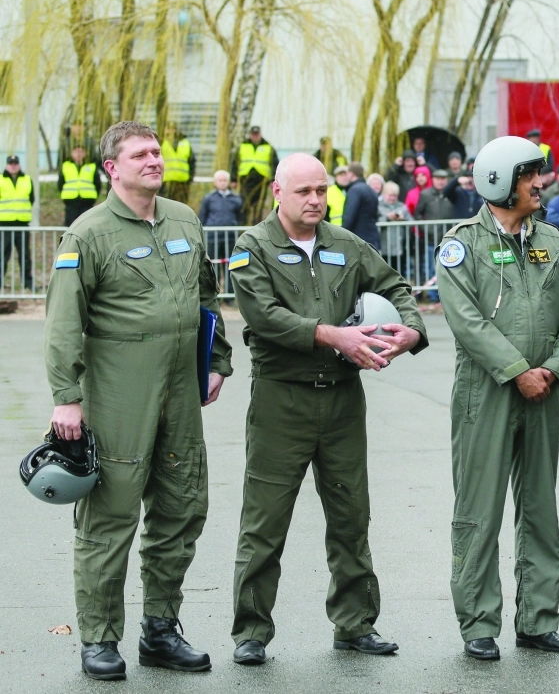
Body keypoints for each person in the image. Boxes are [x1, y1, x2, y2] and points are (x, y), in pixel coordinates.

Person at [44, 121, 233, 681]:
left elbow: (205, 295)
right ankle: (100, 638)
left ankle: (160, 629)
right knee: (110, 517)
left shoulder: (183, 219)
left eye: (157, 151)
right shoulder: (88, 233)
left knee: (181, 509)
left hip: (180, 389)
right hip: (119, 392)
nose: (154, 160)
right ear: (112, 167)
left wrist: (215, 360)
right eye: (140, 154)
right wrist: (67, 398)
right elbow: (62, 325)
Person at [228, 153, 427, 666]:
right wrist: (331, 334)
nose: (316, 200)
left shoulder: (345, 244)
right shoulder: (253, 247)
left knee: (350, 515)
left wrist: (412, 329)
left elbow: (396, 286)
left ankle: (355, 624)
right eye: (304, 192)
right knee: (265, 522)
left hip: (341, 400)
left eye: (322, 191)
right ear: (278, 193)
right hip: (281, 400)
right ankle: (251, 630)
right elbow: (264, 315)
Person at [436, 135, 559, 661]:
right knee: (479, 510)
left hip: (545, 391)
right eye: (530, 176)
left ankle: (538, 620)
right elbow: (466, 321)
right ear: (500, 182)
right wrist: (517, 370)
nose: (540, 184)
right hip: (487, 392)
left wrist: (552, 368)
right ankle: (479, 622)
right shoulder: (461, 244)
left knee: (541, 507)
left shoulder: (552, 240)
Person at [198, 170, 244, 291]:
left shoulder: (236, 198)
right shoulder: (209, 198)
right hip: (213, 237)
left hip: (230, 237)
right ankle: (215, 291)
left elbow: (240, 216)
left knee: (231, 264)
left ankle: (229, 293)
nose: (222, 183)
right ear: (215, 182)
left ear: (228, 182)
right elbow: (202, 216)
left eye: (225, 180)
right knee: (214, 264)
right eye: (220, 180)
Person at [0, 155, 35, 289]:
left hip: (22, 224)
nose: (13, 165)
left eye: (15, 163)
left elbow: (31, 199)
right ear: (6, 165)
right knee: (2, 254)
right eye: (11, 163)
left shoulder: (27, 180)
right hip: (4, 224)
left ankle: (27, 282)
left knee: (25, 255)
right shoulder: (1, 179)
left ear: (19, 165)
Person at [234, 125, 279, 226]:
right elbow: (235, 163)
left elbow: (274, 164)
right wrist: (233, 179)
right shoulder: (243, 146)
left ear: (260, 134)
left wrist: (273, 179)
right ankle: (243, 227)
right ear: (250, 135)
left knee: (259, 207)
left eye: (257, 134)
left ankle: (257, 226)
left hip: (261, 181)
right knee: (244, 206)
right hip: (245, 180)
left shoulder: (268, 147)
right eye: (253, 135)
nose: (255, 137)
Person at [60, 144, 103, 227]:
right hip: (71, 201)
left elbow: (97, 183)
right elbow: (60, 183)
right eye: (76, 152)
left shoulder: (91, 166)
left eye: (81, 152)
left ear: (85, 154)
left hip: (87, 201)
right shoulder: (66, 166)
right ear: (72, 153)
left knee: (87, 225)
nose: (79, 154)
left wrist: (93, 196)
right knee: (70, 226)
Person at [341, 162, 381, 251]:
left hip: (358, 239)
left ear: (351, 174)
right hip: (371, 238)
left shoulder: (354, 190)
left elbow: (349, 216)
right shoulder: (370, 190)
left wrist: (342, 236)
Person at [378, 180, 411, 274]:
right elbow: (374, 222)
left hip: (399, 247)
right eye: (390, 195)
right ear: (384, 194)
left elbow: (412, 222)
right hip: (383, 247)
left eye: (395, 196)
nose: (392, 198)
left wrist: (402, 219)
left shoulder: (402, 207)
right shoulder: (378, 207)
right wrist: (386, 218)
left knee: (399, 272)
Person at [159, 123, 195, 205]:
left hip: (182, 182)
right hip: (166, 182)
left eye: (172, 129)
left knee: (181, 207)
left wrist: (190, 178)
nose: (170, 131)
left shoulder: (185, 143)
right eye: (168, 129)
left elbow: (191, 162)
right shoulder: (161, 142)